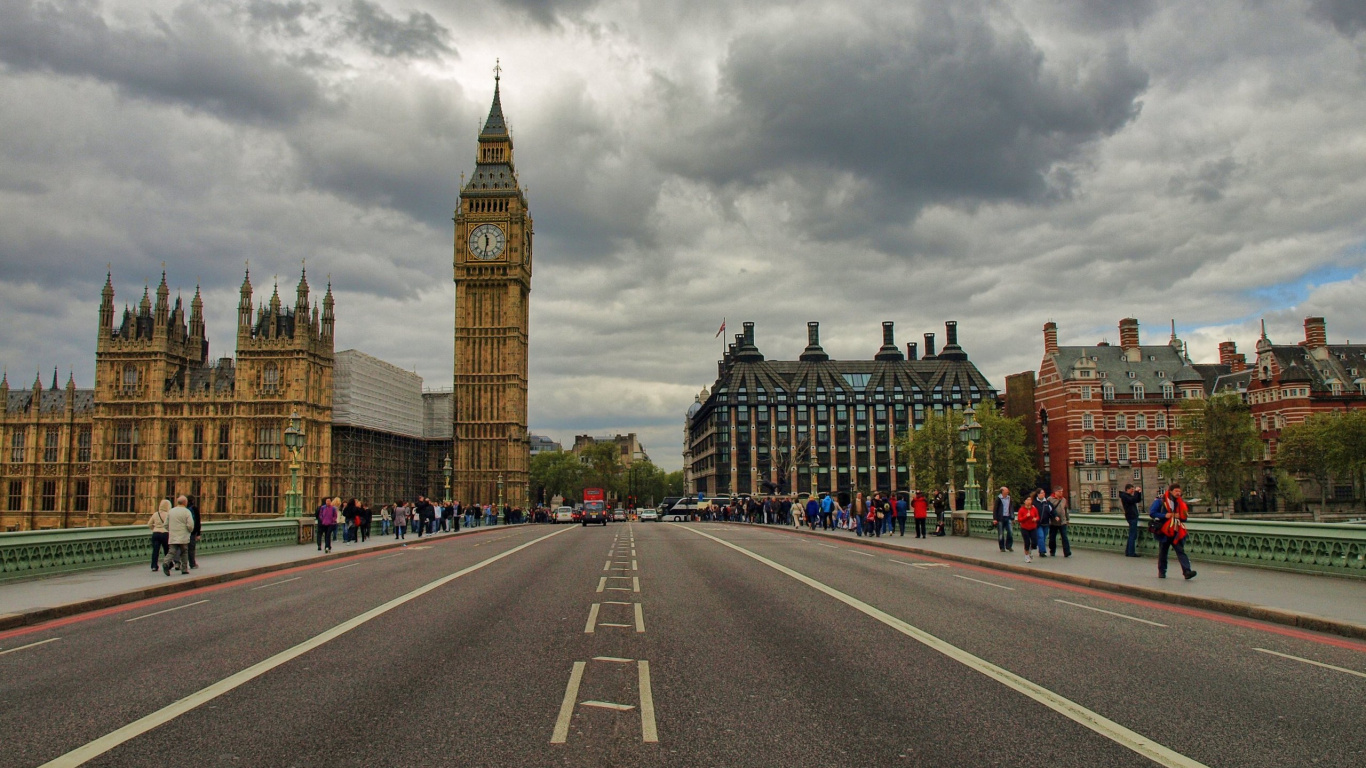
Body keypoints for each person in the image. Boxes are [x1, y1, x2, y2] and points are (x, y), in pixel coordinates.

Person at [1151, 483, 1197, 580]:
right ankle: (1162, 571)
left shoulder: (1181, 503)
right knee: (1163, 552)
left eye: (1179, 491)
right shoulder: (1160, 501)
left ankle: (1187, 571)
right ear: (1171, 491)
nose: (1178, 493)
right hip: (1164, 531)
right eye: (1176, 491)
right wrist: (1165, 515)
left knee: (1181, 551)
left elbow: (1185, 518)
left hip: (1176, 531)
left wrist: (1179, 516)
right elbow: (1152, 513)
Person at [163, 496, 195, 575]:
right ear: (185, 502)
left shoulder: (171, 511)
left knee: (172, 551)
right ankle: (184, 569)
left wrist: (171, 530)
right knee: (184, 552)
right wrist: (189, 531)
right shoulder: (186, 512)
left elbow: (166, 524)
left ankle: (166, 562)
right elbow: (190, 525)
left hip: (173, 535)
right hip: (183, 536)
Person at [1119, 484, 1143, 557]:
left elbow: (1137, 500)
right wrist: (1136, 492)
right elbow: (1133, 500)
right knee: (1133, 535)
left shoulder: (1127, 496)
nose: (1133, 491)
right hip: (1131, 516)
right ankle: (1131, 552)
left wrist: (1138, 493)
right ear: (1127, 489)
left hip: (1132, 516)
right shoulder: (1125, 496)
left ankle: (1128, 551)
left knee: (1131, 535)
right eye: (1132, 489)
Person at [1048, 489, 1072, 558]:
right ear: (1055, 492)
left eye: (1062, 491)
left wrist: (1067, 519)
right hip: (1053, 522)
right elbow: (1048, 509)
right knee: (1052, 537)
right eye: (1059, 491)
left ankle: (1067, 552)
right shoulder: (1050, 499)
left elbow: (1065, 509)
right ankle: (1052, 551)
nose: (1061, 493)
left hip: (1062, 521)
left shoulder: (1063, 500)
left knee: (1064, 537)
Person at [148, 499, 171, 571]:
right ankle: (168, 564)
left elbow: (149, 524)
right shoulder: (168, 514)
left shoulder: (155, 514)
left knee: (155, 551)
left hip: (156, 533)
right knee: (166, 550)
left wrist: (154, 529)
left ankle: (154, 566)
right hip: (165, 533)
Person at [1017, 494, 1039, 563]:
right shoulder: (1021, 510)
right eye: (1027, 500)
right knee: (1027, 542)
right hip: (1025, 528)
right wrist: (1026, 516)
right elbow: (1019, 519)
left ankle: (1030, 550)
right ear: (1024, 501)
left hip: (1033, 527)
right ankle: (1026, 556)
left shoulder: (1034, 509)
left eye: (1030, 500)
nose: (1029, 501)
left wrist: (1035, 519)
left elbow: (1037, 516)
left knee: (1035, 542)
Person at [991, 487, 1014, 552]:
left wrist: (1012, 518)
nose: (1008, 491)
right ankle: (1002, 547)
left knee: (1010, 532)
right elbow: (995, 509)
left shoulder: (1009, 498)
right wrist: (995, 519)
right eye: (1006, 490)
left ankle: (1009, 546)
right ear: (1002, 491)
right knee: (1001, 534)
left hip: (1008, 517)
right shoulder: (998, 499)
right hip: (1000, 518)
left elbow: (1011, 508)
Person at [1033, 489, 1053, 557]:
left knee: (1044, 537)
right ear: (1038, 494)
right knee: (1041, 536)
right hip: (1038, 524)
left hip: (1046, 523)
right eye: (1041, 493)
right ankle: (1042, 552)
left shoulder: (1047, 502)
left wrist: (1055, 516)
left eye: (1044, 492)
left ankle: (1041, 549)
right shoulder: (1034, 503)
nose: (1043, 494)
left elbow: (1052, 511)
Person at [186, 495, 202, 569]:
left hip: (182, 531)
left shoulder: (182, 509)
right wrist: (198, 533)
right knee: (191, 549)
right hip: (192, 531)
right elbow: (198, 521)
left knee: (179, 548)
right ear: (193, 501)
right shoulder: (194, 508)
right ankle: (192, 564)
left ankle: (177, 563)